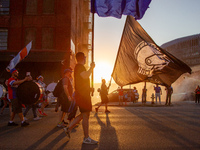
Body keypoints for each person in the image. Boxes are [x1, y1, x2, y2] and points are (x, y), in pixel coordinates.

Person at [63, 52, 98, 145]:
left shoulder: (79, 68)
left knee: (84, 114)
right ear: (83, 58)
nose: (86, 58)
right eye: (85, 57)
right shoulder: (79, 67)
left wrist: (89, 88)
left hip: (83, 94)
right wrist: (91, 68)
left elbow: (82, 82)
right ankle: (86, 138)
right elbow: (85, 76)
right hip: (83, 96)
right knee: (86, 115)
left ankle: (69, 128)